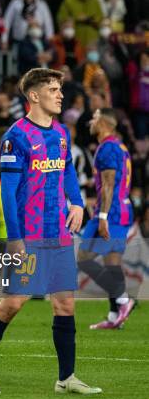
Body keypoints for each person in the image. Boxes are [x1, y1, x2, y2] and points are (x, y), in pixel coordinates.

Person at [0, 68, 101, 394]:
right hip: (29, 237)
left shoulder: (59, 133)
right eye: (53, 89)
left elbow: (67, 168)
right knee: (14, 302)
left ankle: (66, 378)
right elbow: (10, 193)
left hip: (57, 233)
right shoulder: (16, 137)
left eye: (60, 89)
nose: (60, 95)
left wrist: (77, 201)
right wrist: (15, 239)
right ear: (34, 96)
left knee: (65, 305)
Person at [77, 108, 135, 329]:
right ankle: (114, 317)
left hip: (111, 212)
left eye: (94, 117)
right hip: (119, 209)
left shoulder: (108, 147)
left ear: (103, 122)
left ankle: (123, 299)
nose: (90, 121)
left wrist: (102, 216)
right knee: (112, 262)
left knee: (84, 257)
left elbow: (109, 183)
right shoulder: (119, 146)